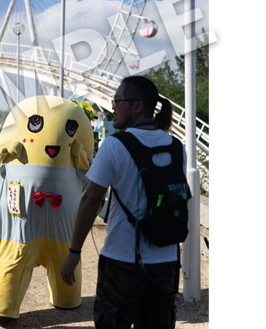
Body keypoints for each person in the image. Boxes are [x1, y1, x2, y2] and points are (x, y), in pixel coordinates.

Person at [61, 75, 186, 329]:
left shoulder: (115, 146)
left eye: (118, 100)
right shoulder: (176, 147)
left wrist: (74, 252)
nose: (113, 107)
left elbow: (91, 200)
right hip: (166, 262)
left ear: (137, 106)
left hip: (122, 261)